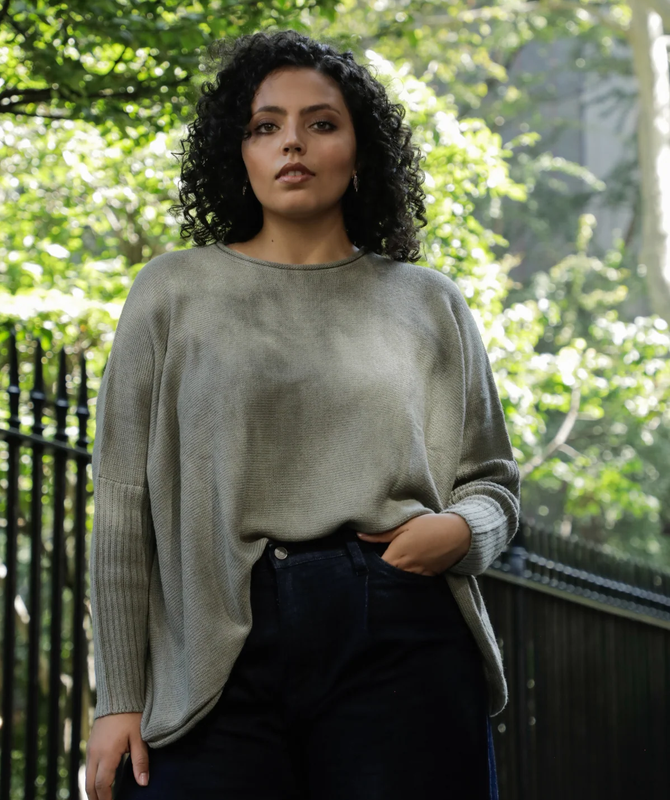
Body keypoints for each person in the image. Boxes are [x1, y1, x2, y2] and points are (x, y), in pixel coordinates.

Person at [84, 29, 520, 800]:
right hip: (217, 644)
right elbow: (123, 506)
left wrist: (459, 532)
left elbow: (492, 483)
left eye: (322, 123)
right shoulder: (171, 292)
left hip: (402, 628)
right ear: (238, 151)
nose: (293, 143)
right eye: (266, 126)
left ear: (360, 151)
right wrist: (118, 697)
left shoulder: (428, 301)